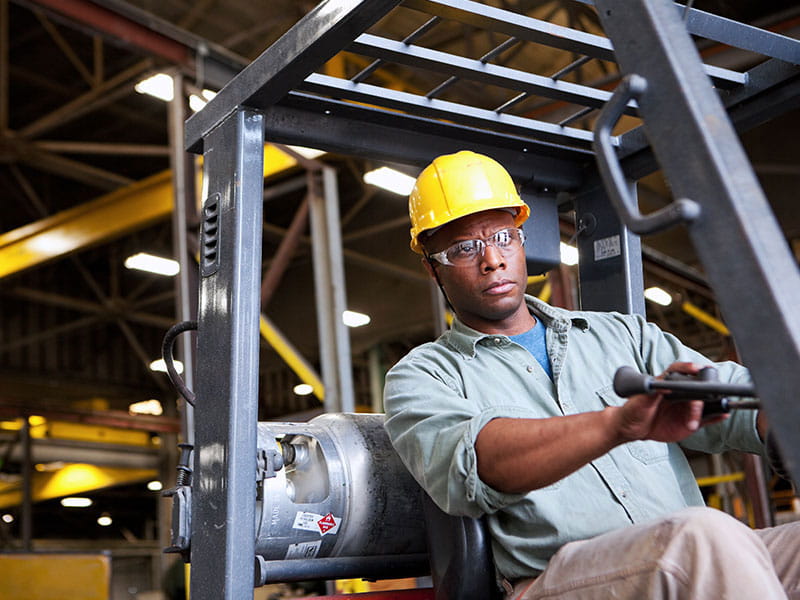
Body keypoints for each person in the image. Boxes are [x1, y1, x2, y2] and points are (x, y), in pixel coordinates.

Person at [383, 150, 800, 600]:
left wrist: (781, 419)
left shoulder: (621, 335)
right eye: (464, 248)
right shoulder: (423, 377)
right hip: (556, 581)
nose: (492, 260)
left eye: (504, 237)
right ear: (432, 268)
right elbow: (478, 466)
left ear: (522, 240)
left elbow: (736, 396)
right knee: (702, 536)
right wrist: (617, 423)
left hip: (684, 557)